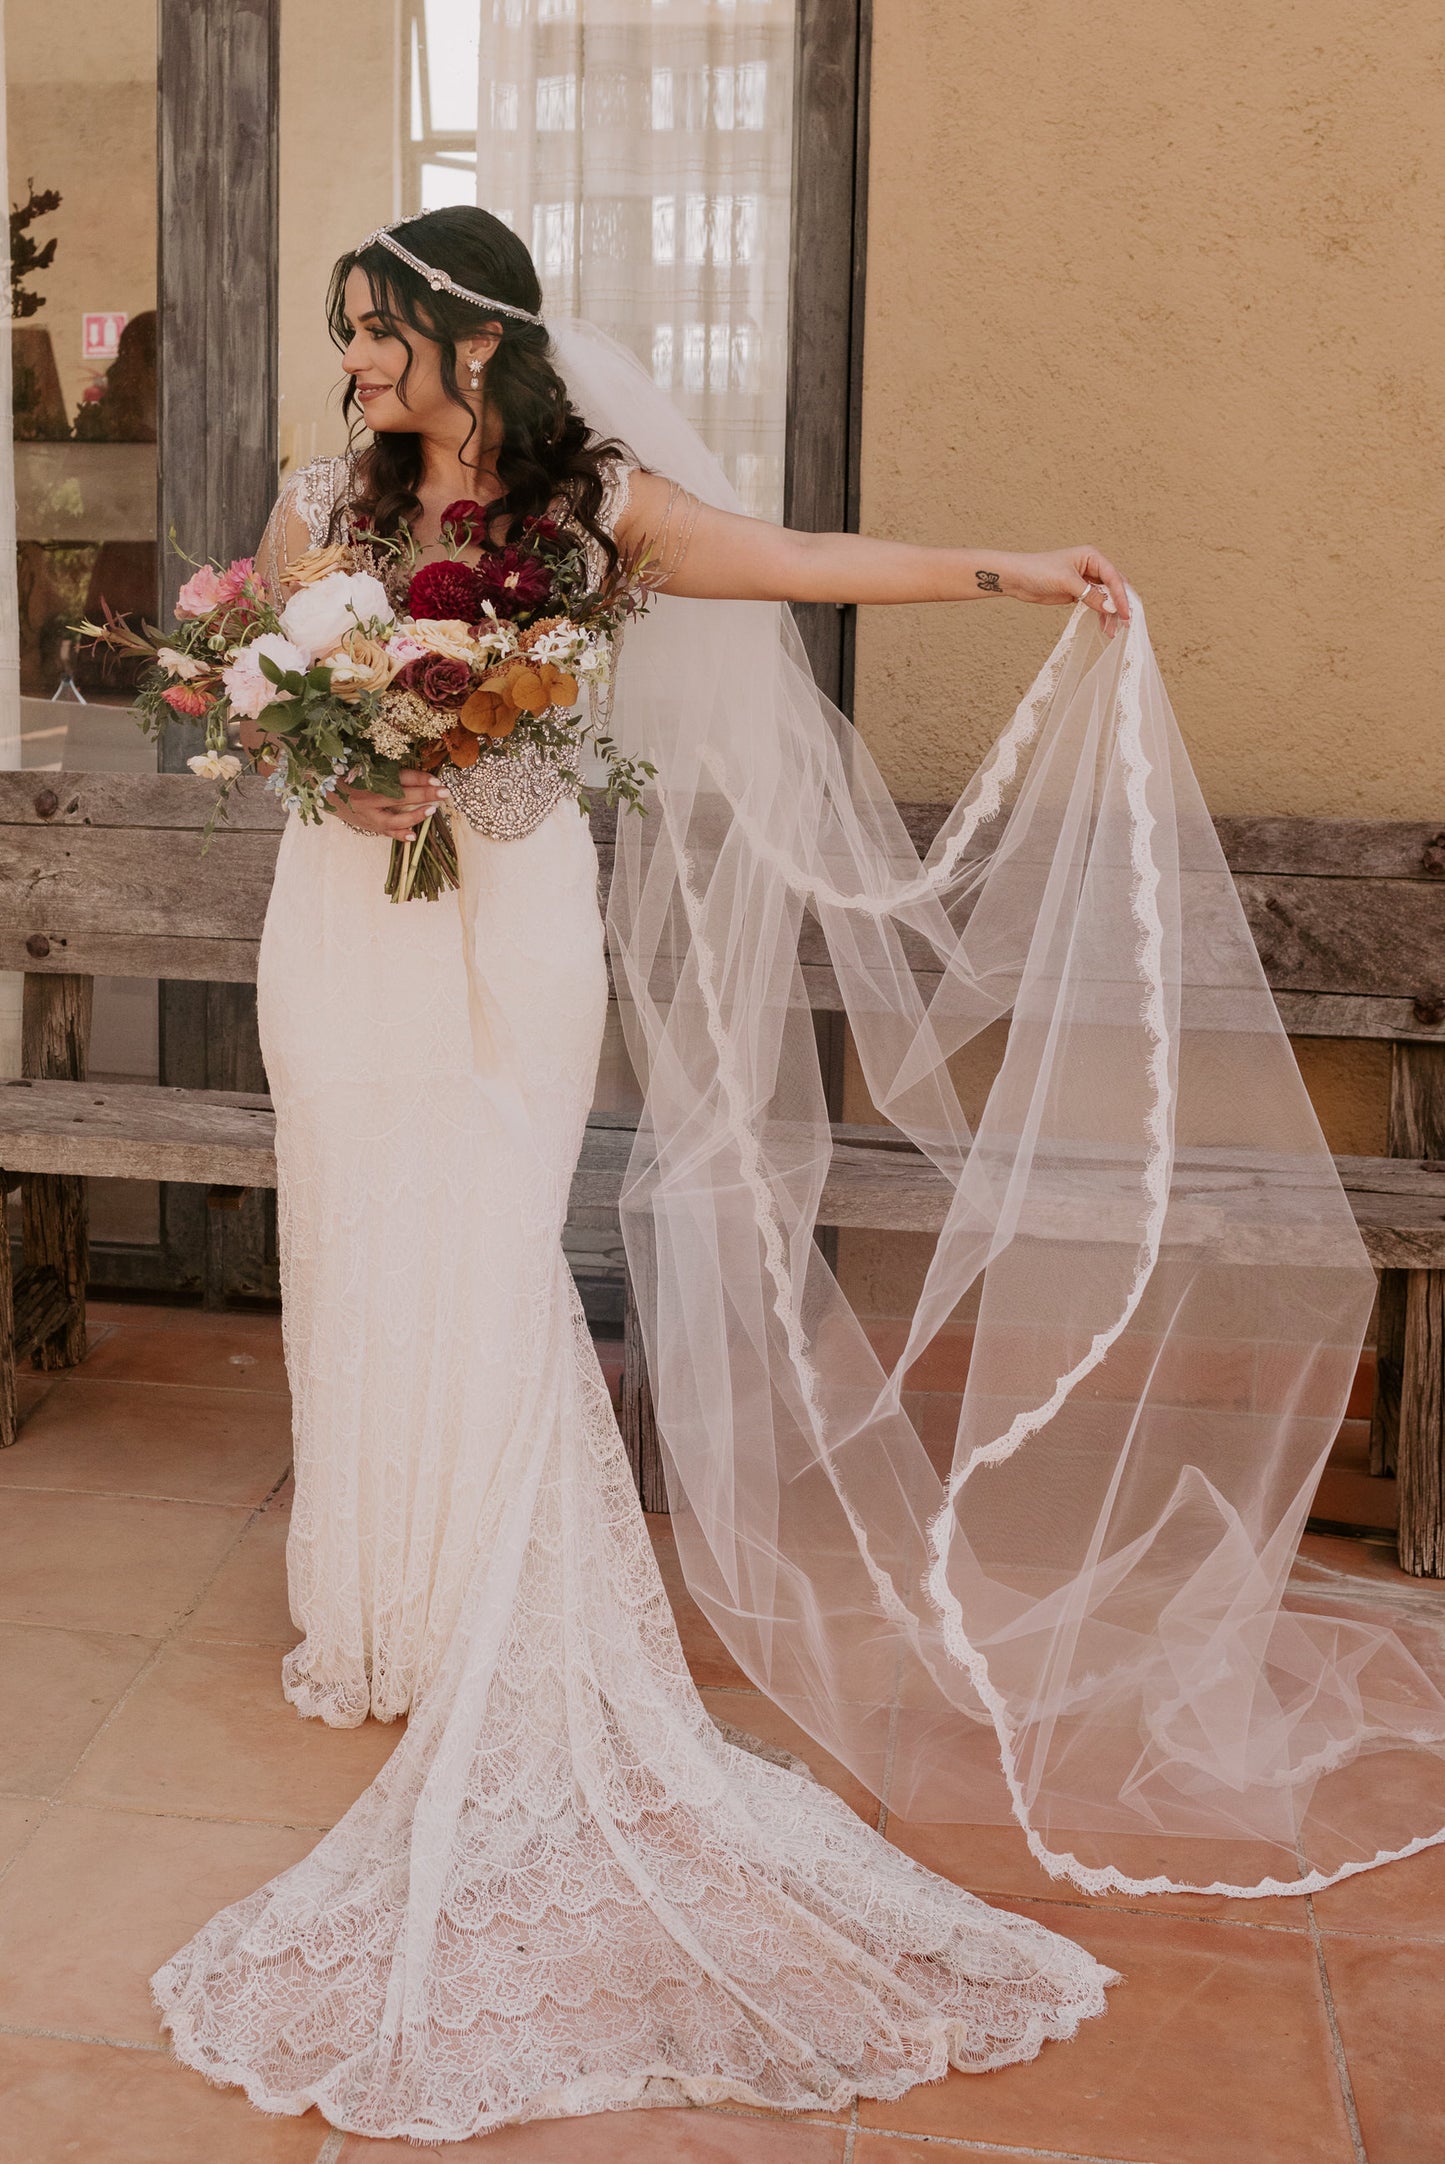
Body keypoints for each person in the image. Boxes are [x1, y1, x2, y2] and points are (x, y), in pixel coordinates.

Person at [151, 205, 1125, 2142]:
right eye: (346, 334)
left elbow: (809, 563)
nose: (349, 364)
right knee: (360, 1240)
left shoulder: (600, 510)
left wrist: (1019, 571)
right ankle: (390, 1616)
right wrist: (335, 768)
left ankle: (501, 1614)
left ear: (466, 337)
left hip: (517, 920)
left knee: (496, 1249)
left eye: (376, 333)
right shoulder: (317, 501)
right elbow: (251, 682)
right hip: (343, 927)